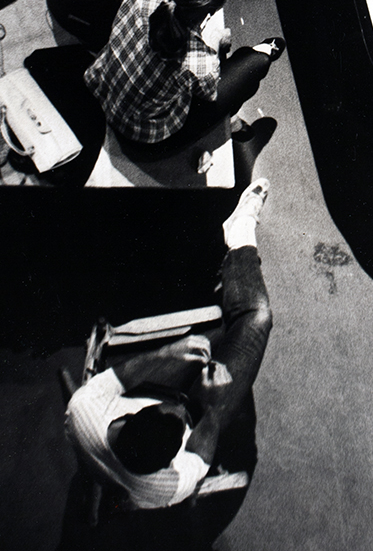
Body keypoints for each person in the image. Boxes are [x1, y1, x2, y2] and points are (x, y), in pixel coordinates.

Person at [65, 178, 273, 509]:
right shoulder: (168, 486)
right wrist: (210, 409)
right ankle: (240, 235)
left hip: (143, 398)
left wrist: (167, 353)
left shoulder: (83, 409)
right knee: (256, 318)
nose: (180, 405)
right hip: (205, 415)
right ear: (171, 459)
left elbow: (123, 377)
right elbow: (205, 438)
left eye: (169, 411)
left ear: (128, 419)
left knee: (222, 333)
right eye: (180, 417)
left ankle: (228, 299)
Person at [58, 0, 285, 152]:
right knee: (254, 65)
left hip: (99, 83)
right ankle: (262, 54)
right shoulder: (202, 62)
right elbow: (209, 94)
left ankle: (259, 57)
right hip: (138, 133)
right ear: (215, 9)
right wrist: (215, 45)